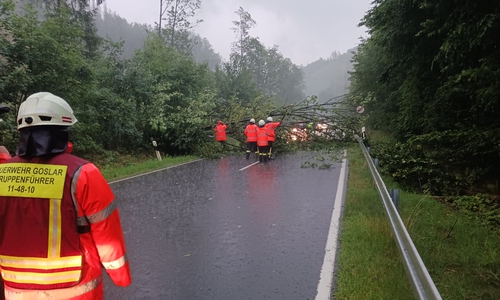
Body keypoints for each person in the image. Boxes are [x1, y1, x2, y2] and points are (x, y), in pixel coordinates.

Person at [0, 92, 132, 299]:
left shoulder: (3, 172)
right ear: (62, 130)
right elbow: (106, 232)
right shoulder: (83, 172)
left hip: (16, 287)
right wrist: (120, 276)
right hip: (76, 288)